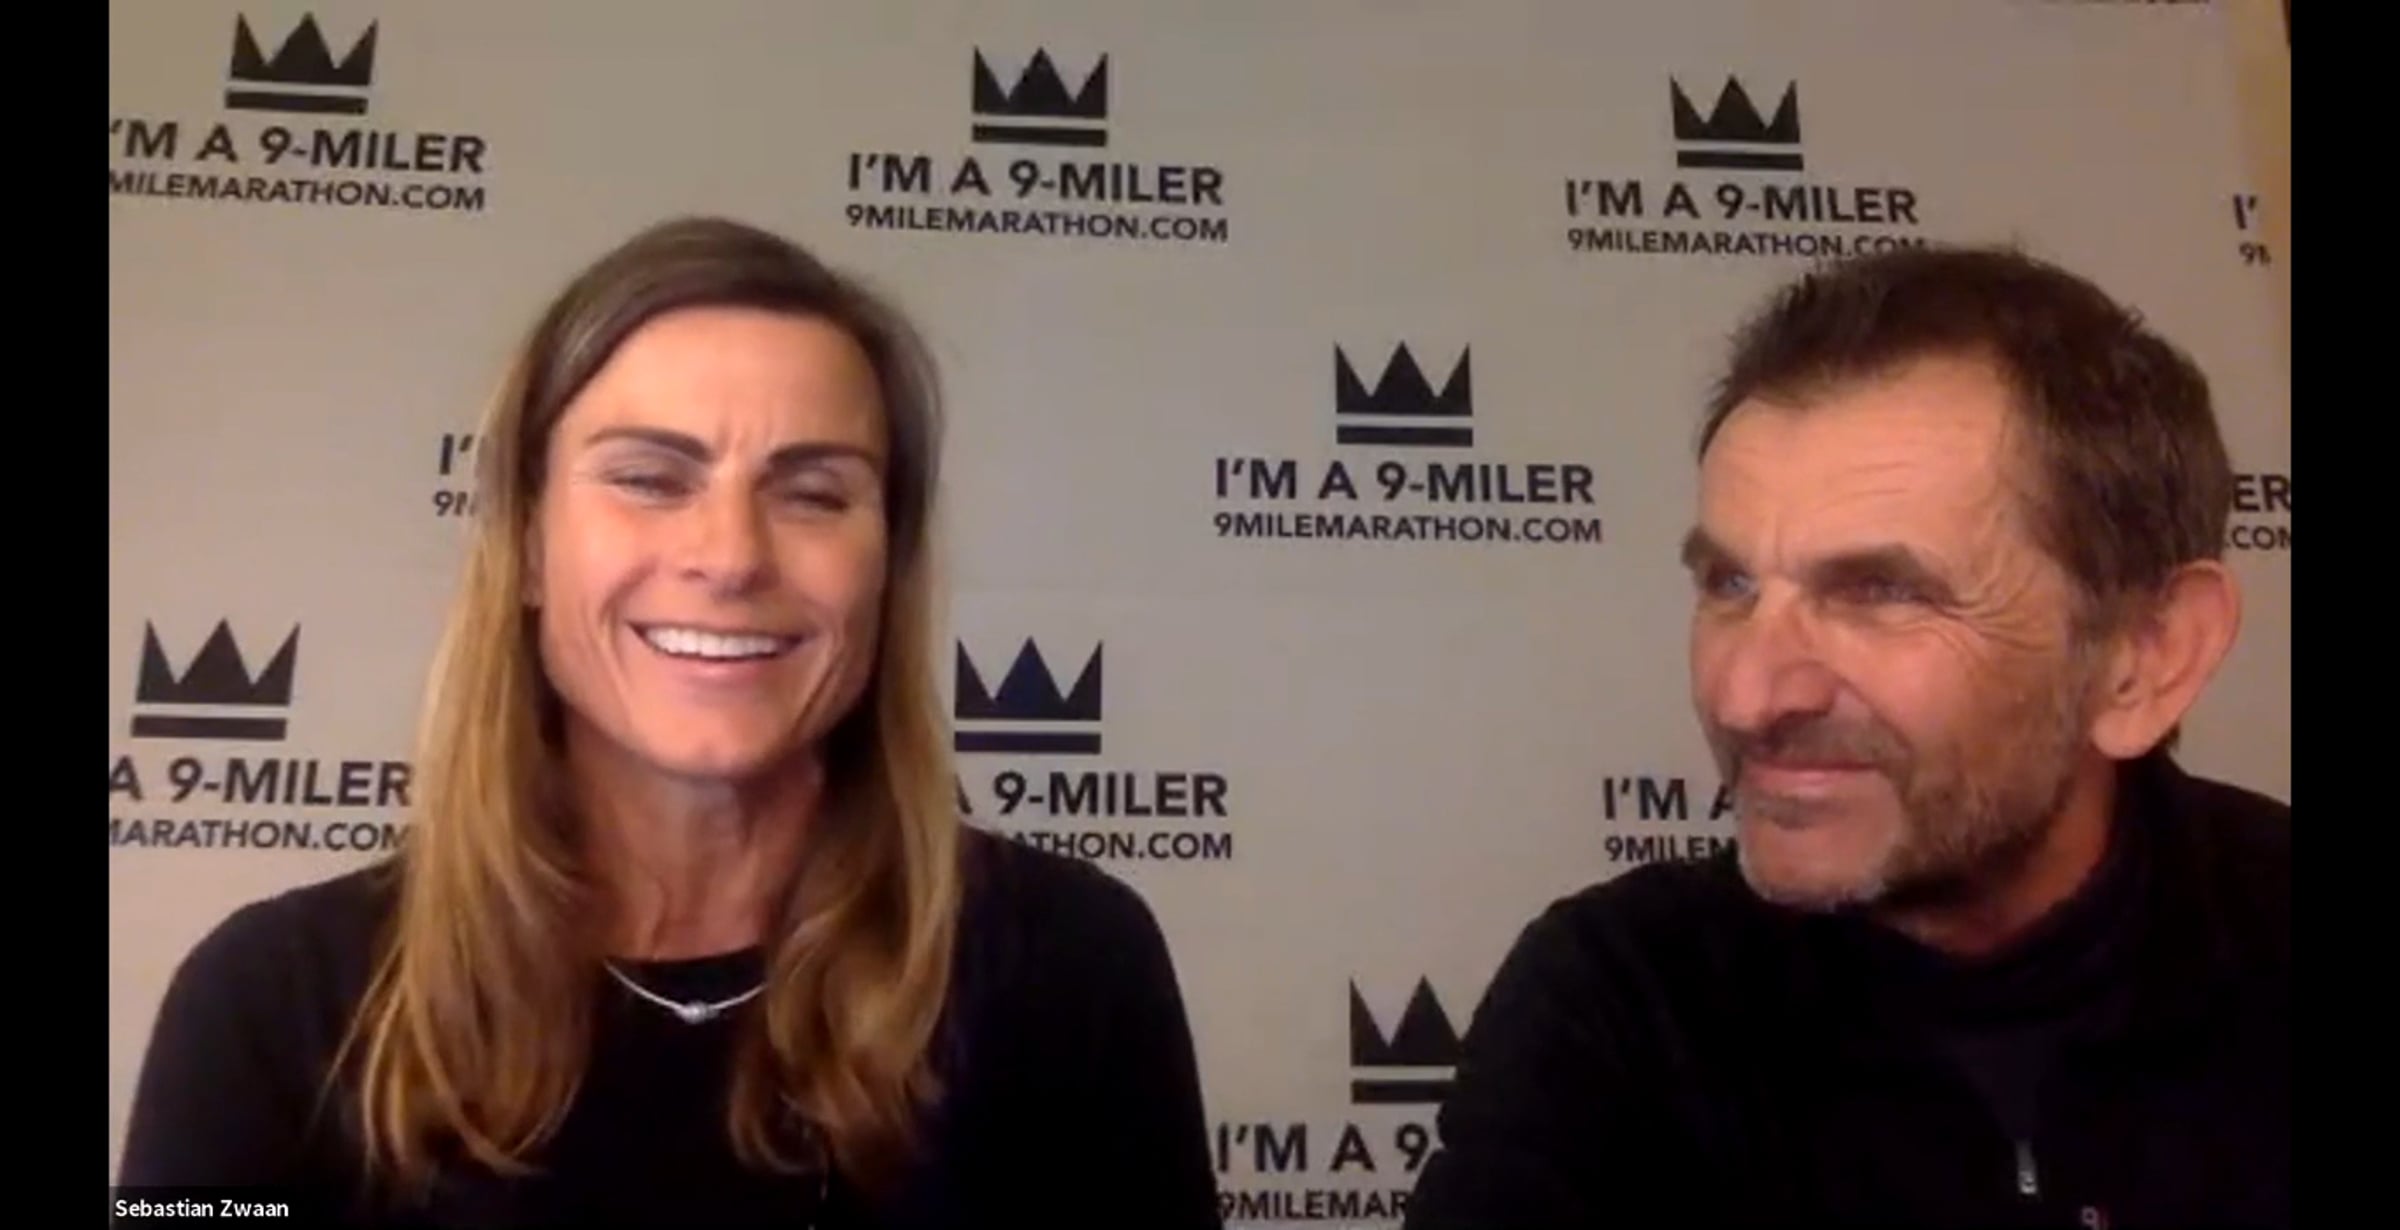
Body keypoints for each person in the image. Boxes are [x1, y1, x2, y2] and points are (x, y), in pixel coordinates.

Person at [115, 216, 1225, 1228]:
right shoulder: (268, 1004)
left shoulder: (1071, 965)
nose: (731, 557)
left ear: (888, 567)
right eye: (650, 479)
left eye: (814, 493)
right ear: (528, 544)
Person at [1403, 245, 2289, 1229]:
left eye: (1881, 593)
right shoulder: (1621, 999)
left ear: (2145, 656)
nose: (1748, 697)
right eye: (1731, 585)